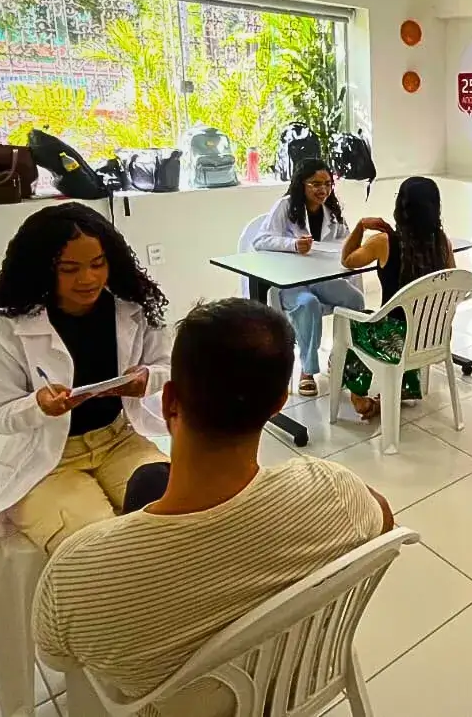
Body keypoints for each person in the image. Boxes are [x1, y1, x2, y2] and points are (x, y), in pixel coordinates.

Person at [33, 298, 393, 712]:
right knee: (149, 479)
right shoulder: (333, 489)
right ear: (279, 403)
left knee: (147, 482)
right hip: (295, 686)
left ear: (169, 402)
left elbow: (57, 659)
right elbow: (384, 520)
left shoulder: (78, 571)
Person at [0, 203, 172, 555]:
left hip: (120, 440)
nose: (88, 279)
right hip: (49, 460)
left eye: (98, 264)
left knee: (178, 514)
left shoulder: (131, 307)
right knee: (99, 550)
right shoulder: (5, 326)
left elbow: (168, 367)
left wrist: (147, 377)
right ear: (41, 270)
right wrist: (38, 406)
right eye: (70, 269)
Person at [337, 176, 456, 419]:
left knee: (356, 323)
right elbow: (453, 281)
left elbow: (347, 260)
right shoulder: (442, 243)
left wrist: (360, 226)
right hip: (434, 334)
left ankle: (359, 397)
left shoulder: (384, 242)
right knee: (403, 321)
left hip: (394, 341)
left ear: (400, 207)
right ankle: (402, 388)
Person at [248, 159, 366, 397]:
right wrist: (292, 244)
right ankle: (308, 371)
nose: (323, 190)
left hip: (321, 276)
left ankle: (339, 357)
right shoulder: (285, 206)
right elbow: (260, 240)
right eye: (315, 184)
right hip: (291, 281)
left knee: (356, 301)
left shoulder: (331, 211)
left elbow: (343, 240)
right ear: (301, 184)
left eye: (328, 184)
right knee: (307, 304)